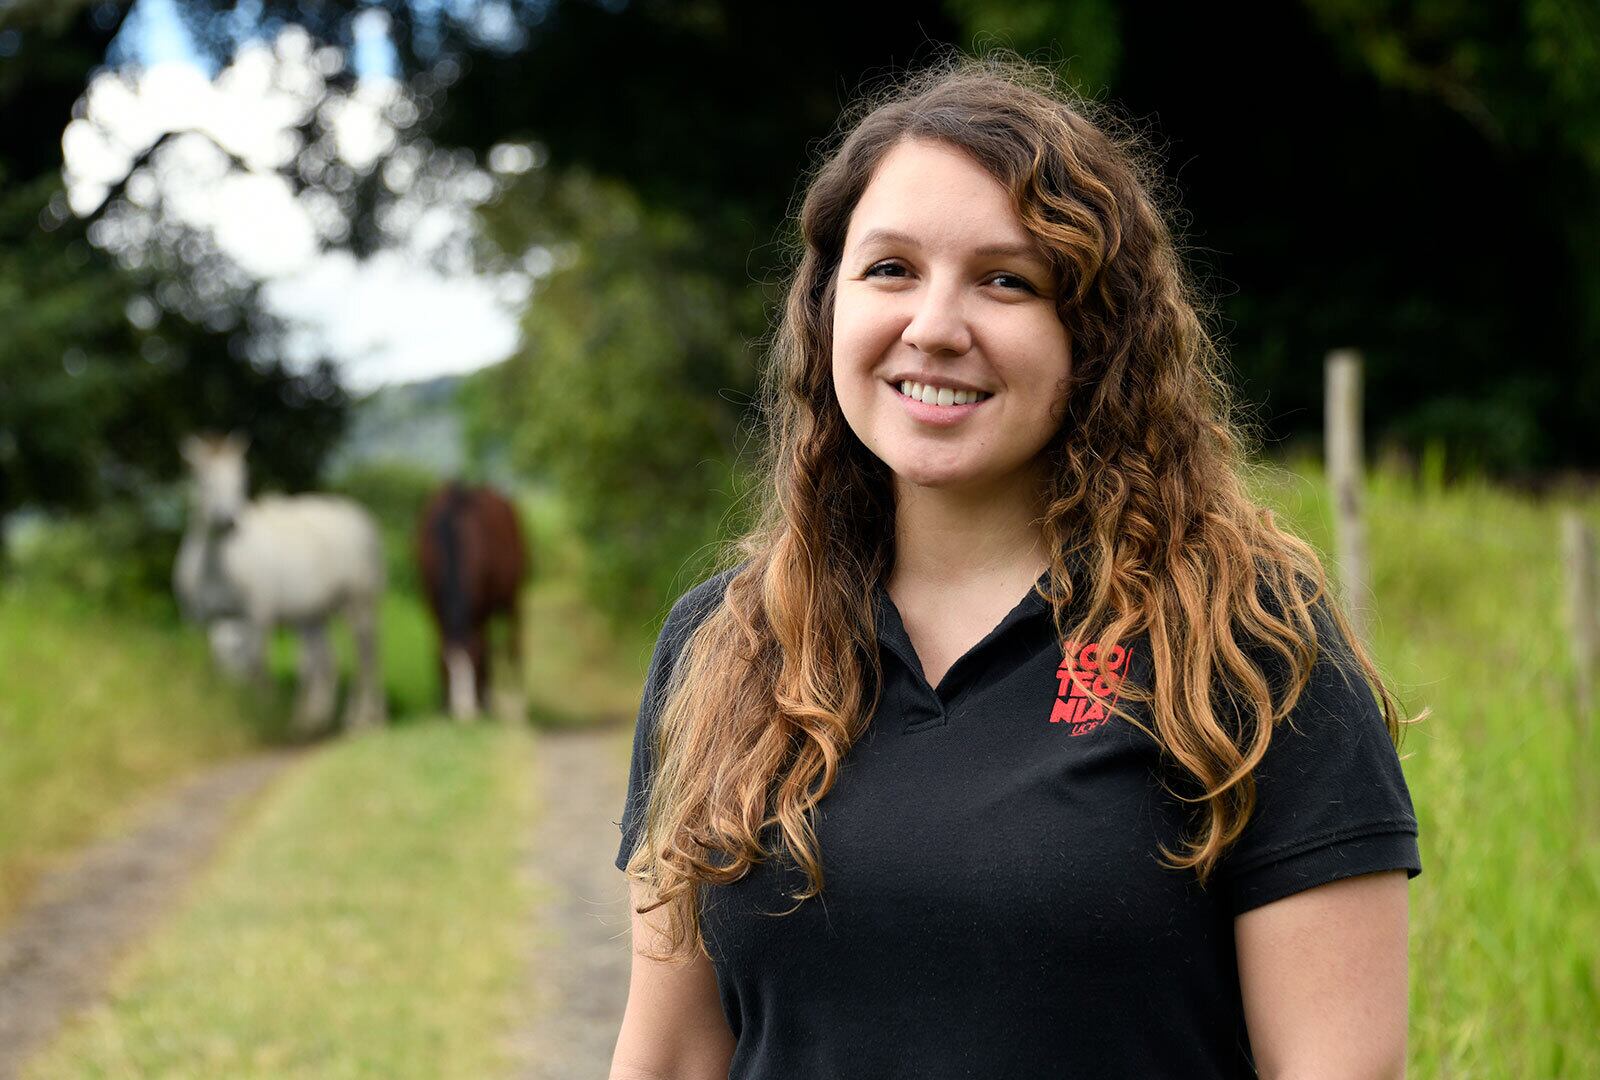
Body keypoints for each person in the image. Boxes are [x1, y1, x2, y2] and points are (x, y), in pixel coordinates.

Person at [609, 52, 1422, 1080]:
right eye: (889, 269)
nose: (935, 327)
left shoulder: (1243, 640)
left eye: (1005, 280)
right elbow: (671, 1054)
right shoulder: (722, 643)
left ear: (1094, 334)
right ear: (824, 312)